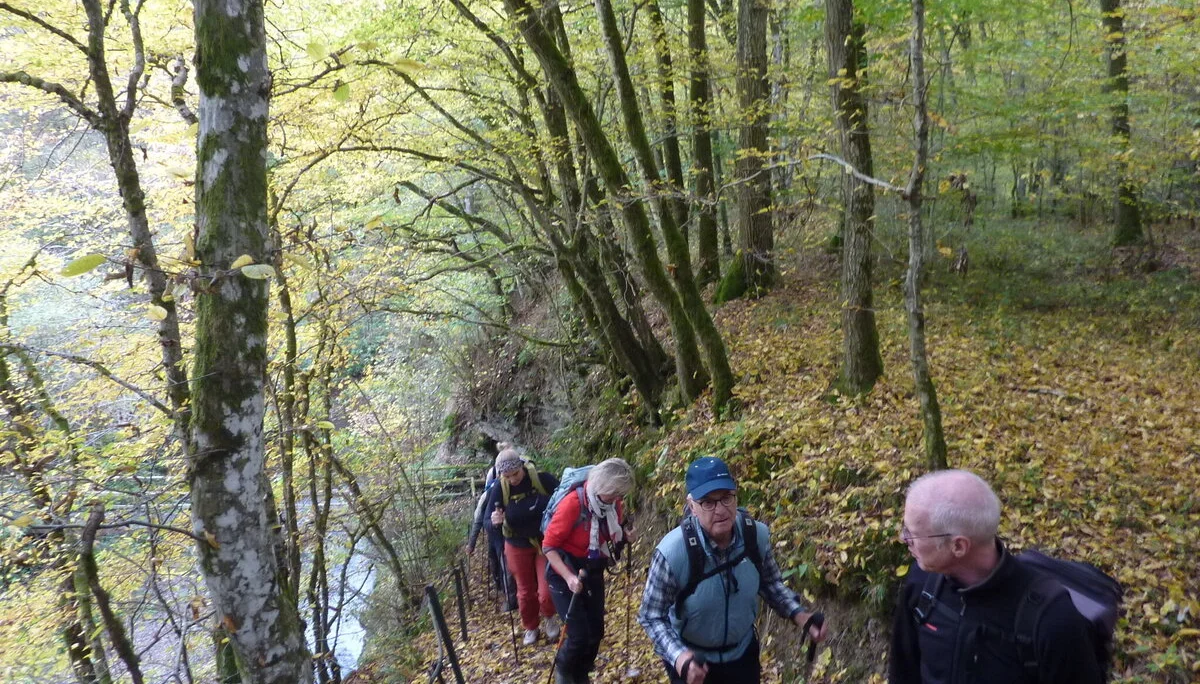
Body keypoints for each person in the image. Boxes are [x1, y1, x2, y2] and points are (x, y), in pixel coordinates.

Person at [889, 469, 1103, 683]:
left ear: (958, 546)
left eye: (912, 533)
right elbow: (903, 672)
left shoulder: (1053, 619)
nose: (903, 538)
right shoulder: (923, 582)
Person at [638, 456, 827, 684]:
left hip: (742, 656)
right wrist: (679, 657)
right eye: (708, 502)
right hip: (694, 664)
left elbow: (770, 584)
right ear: (692, 506)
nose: (721, 510)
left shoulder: (754, 536)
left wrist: (800, 615)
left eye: (727, 498)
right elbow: (651, 615)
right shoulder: (673, 553)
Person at [543, 458, 637, 684]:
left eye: (619, 495)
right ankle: (564, 672)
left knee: (596, 632)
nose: (617, 499)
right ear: (602, 486)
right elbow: (548, 546)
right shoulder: (573, 504)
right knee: (577, 635)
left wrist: (625, 537)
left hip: (593, 569)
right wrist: (568, 577)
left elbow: (610, 535)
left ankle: (581, 674)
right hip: (563, 572)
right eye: (614, 493)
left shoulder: (613, 506)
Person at [483, 448, 561, 645]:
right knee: (525, 592)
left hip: (544, 541)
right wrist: (494, 521)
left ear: (522, 467)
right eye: (507, 476)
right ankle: (531, 627)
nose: (512, 480)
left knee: (546, 588)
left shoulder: (542, 479)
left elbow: (564, 499)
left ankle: (550, 618)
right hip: (515, 543)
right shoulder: (499, 489)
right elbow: (487, 521)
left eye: (515, 474)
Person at [467, 458, 517, 612]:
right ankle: (507, 595)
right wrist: (471, 543)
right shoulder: (490, 493)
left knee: (506, 567)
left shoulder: (516, 488)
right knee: (499, 567)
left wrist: (471, 544)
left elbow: (478, 520)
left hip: (507, 537)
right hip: (496, 536)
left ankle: (512, 599)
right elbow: (479, 519)